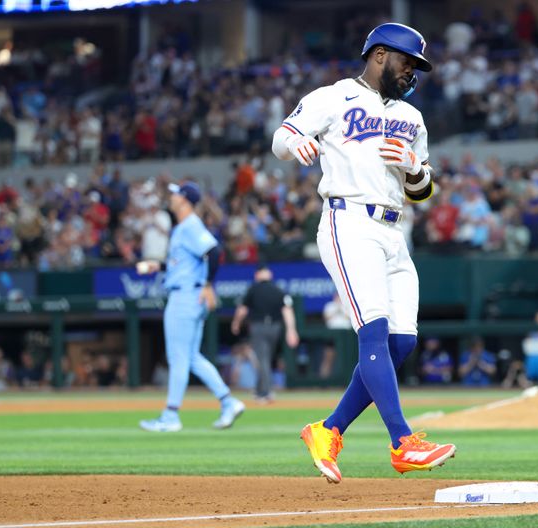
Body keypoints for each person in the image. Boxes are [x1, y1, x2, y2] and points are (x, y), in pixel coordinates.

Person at [271, 22, 455, 484]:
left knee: (403, 342)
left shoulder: (412, 118)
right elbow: (281, 138)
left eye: (416, 66)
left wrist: (415, 168)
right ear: (378, 55)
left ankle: (328, 429)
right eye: (407, 62)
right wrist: (297, 142)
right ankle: (402, 442)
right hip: (348, 220)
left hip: (396, 230)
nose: (412, 72)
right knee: (373, 332)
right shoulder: (333, 97)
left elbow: (422, 190)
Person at [136, 181, 246, 432]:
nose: (172, 197)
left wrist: (208, 284)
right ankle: (228, 402)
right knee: (192, 358)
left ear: (185, 199)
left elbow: (215, 251)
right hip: (189, 293)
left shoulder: (190, 225)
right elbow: (185, 263)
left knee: (177, 358)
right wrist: (160, 267)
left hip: (185, 297)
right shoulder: (182, 228)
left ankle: (171, 415)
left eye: (176, 194)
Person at [230, 265, 300, 403]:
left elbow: (242, 310)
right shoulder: (278, 289)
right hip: (275, 328)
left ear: (257, 275)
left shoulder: (253, 289)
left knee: (262, 359)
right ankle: (259, 390)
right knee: (265, 359)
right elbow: (287, 311)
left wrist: (236, 323)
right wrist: (291, 330)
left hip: (258, 327)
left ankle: (267, 392)